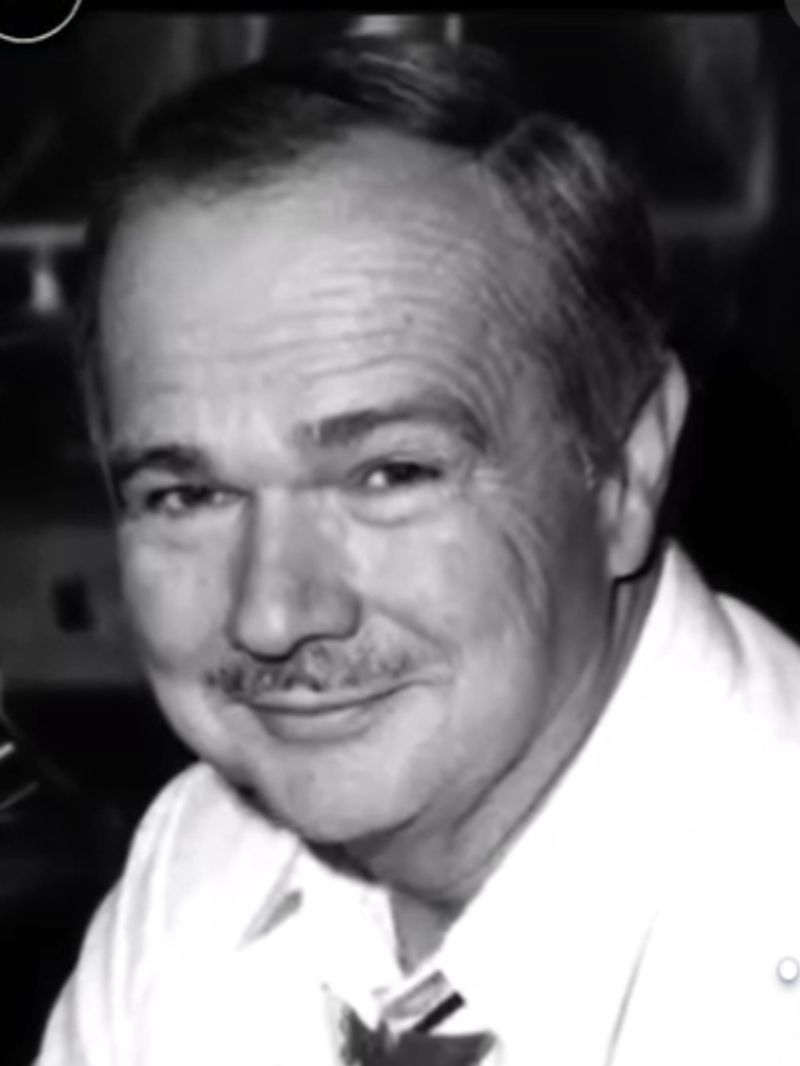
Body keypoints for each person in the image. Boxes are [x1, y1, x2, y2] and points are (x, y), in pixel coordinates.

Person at [35, 35, 800, 1066]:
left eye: (389, 474)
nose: (272, 613)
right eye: (189, 494)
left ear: (625, 467)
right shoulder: (199, 862)